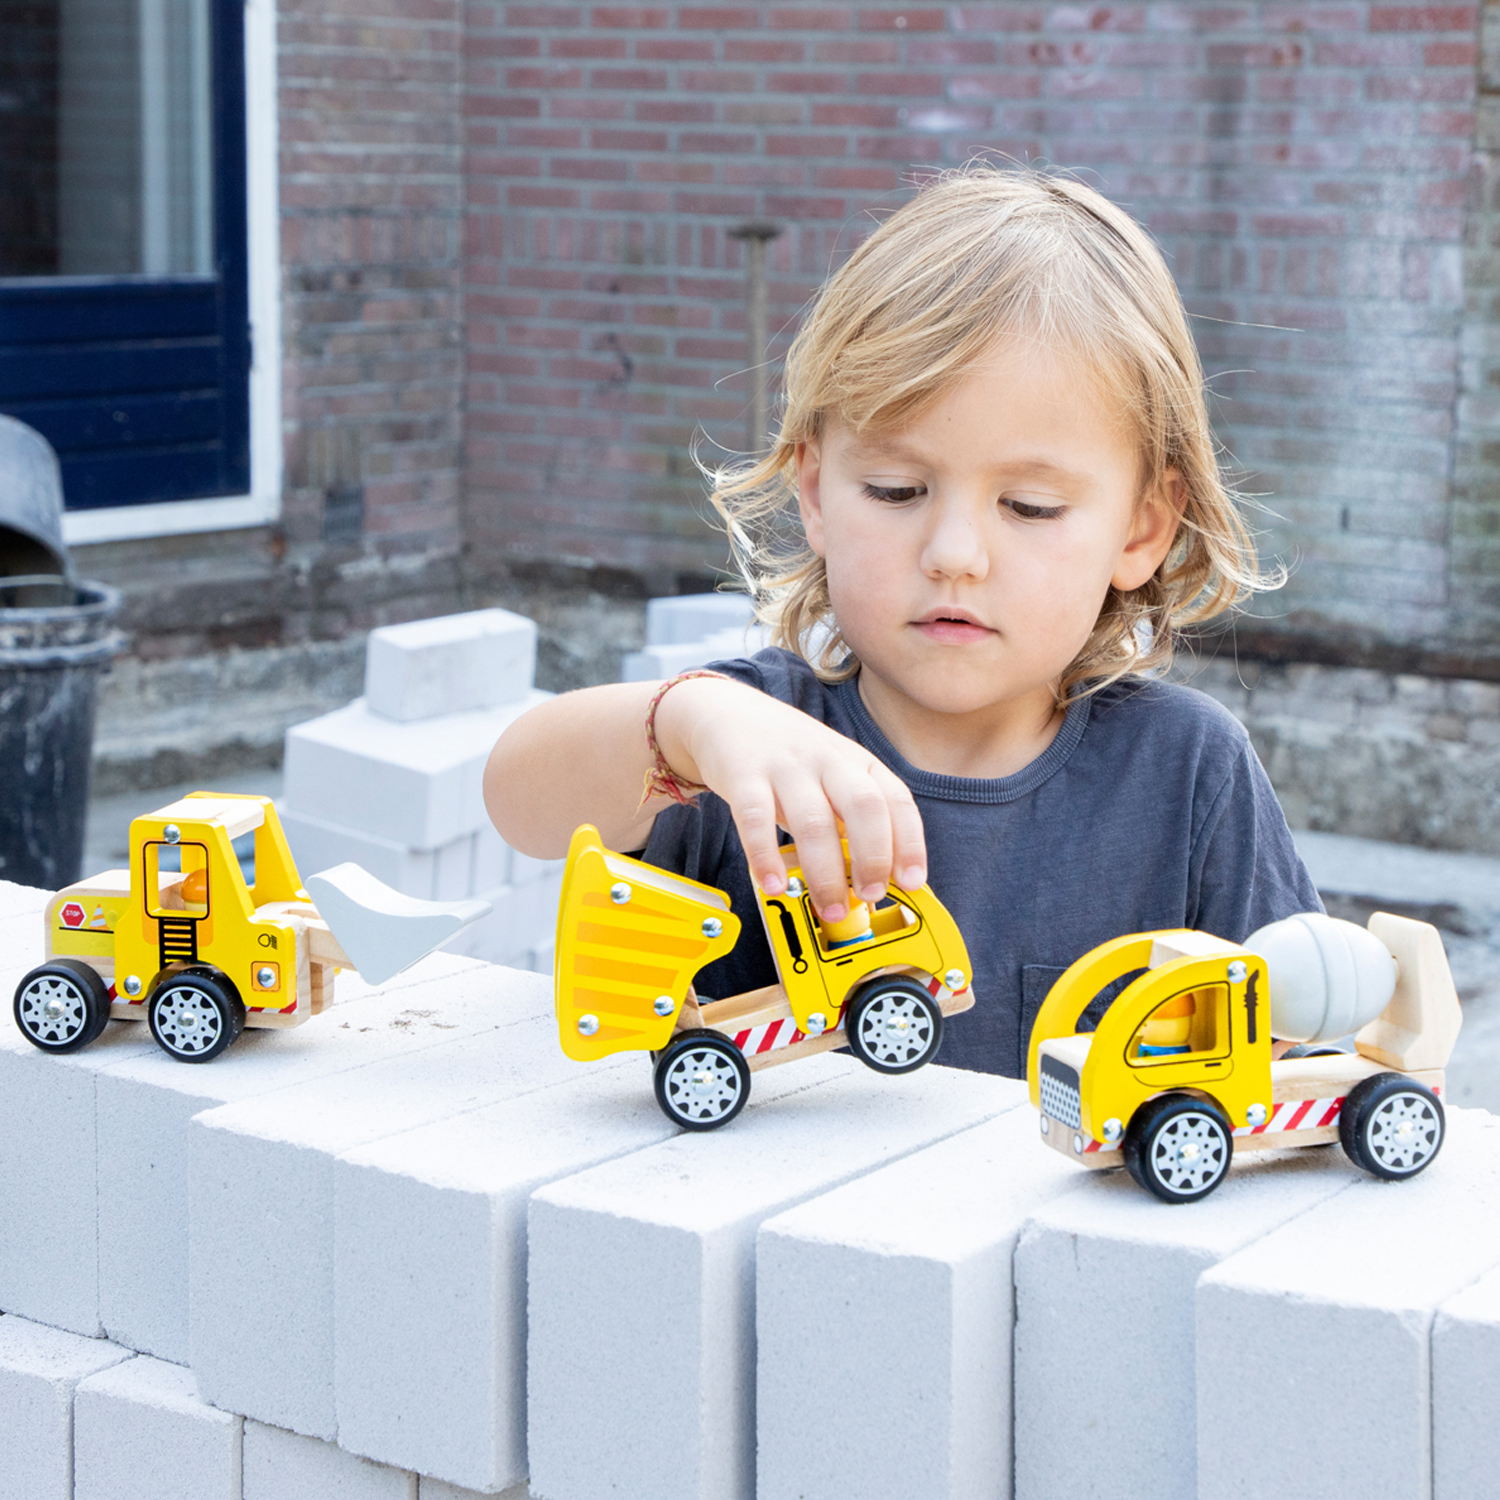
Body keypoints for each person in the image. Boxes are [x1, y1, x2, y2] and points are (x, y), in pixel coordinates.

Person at [484, 166, 1320, 1078]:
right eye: (895, 490)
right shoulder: (749, 747)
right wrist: (687, 722)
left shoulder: (1187, 773)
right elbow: (515, 797)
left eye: (1031, 506)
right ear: (814, 493)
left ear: (1143, 529)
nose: (955, 552)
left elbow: (1290, 1033)